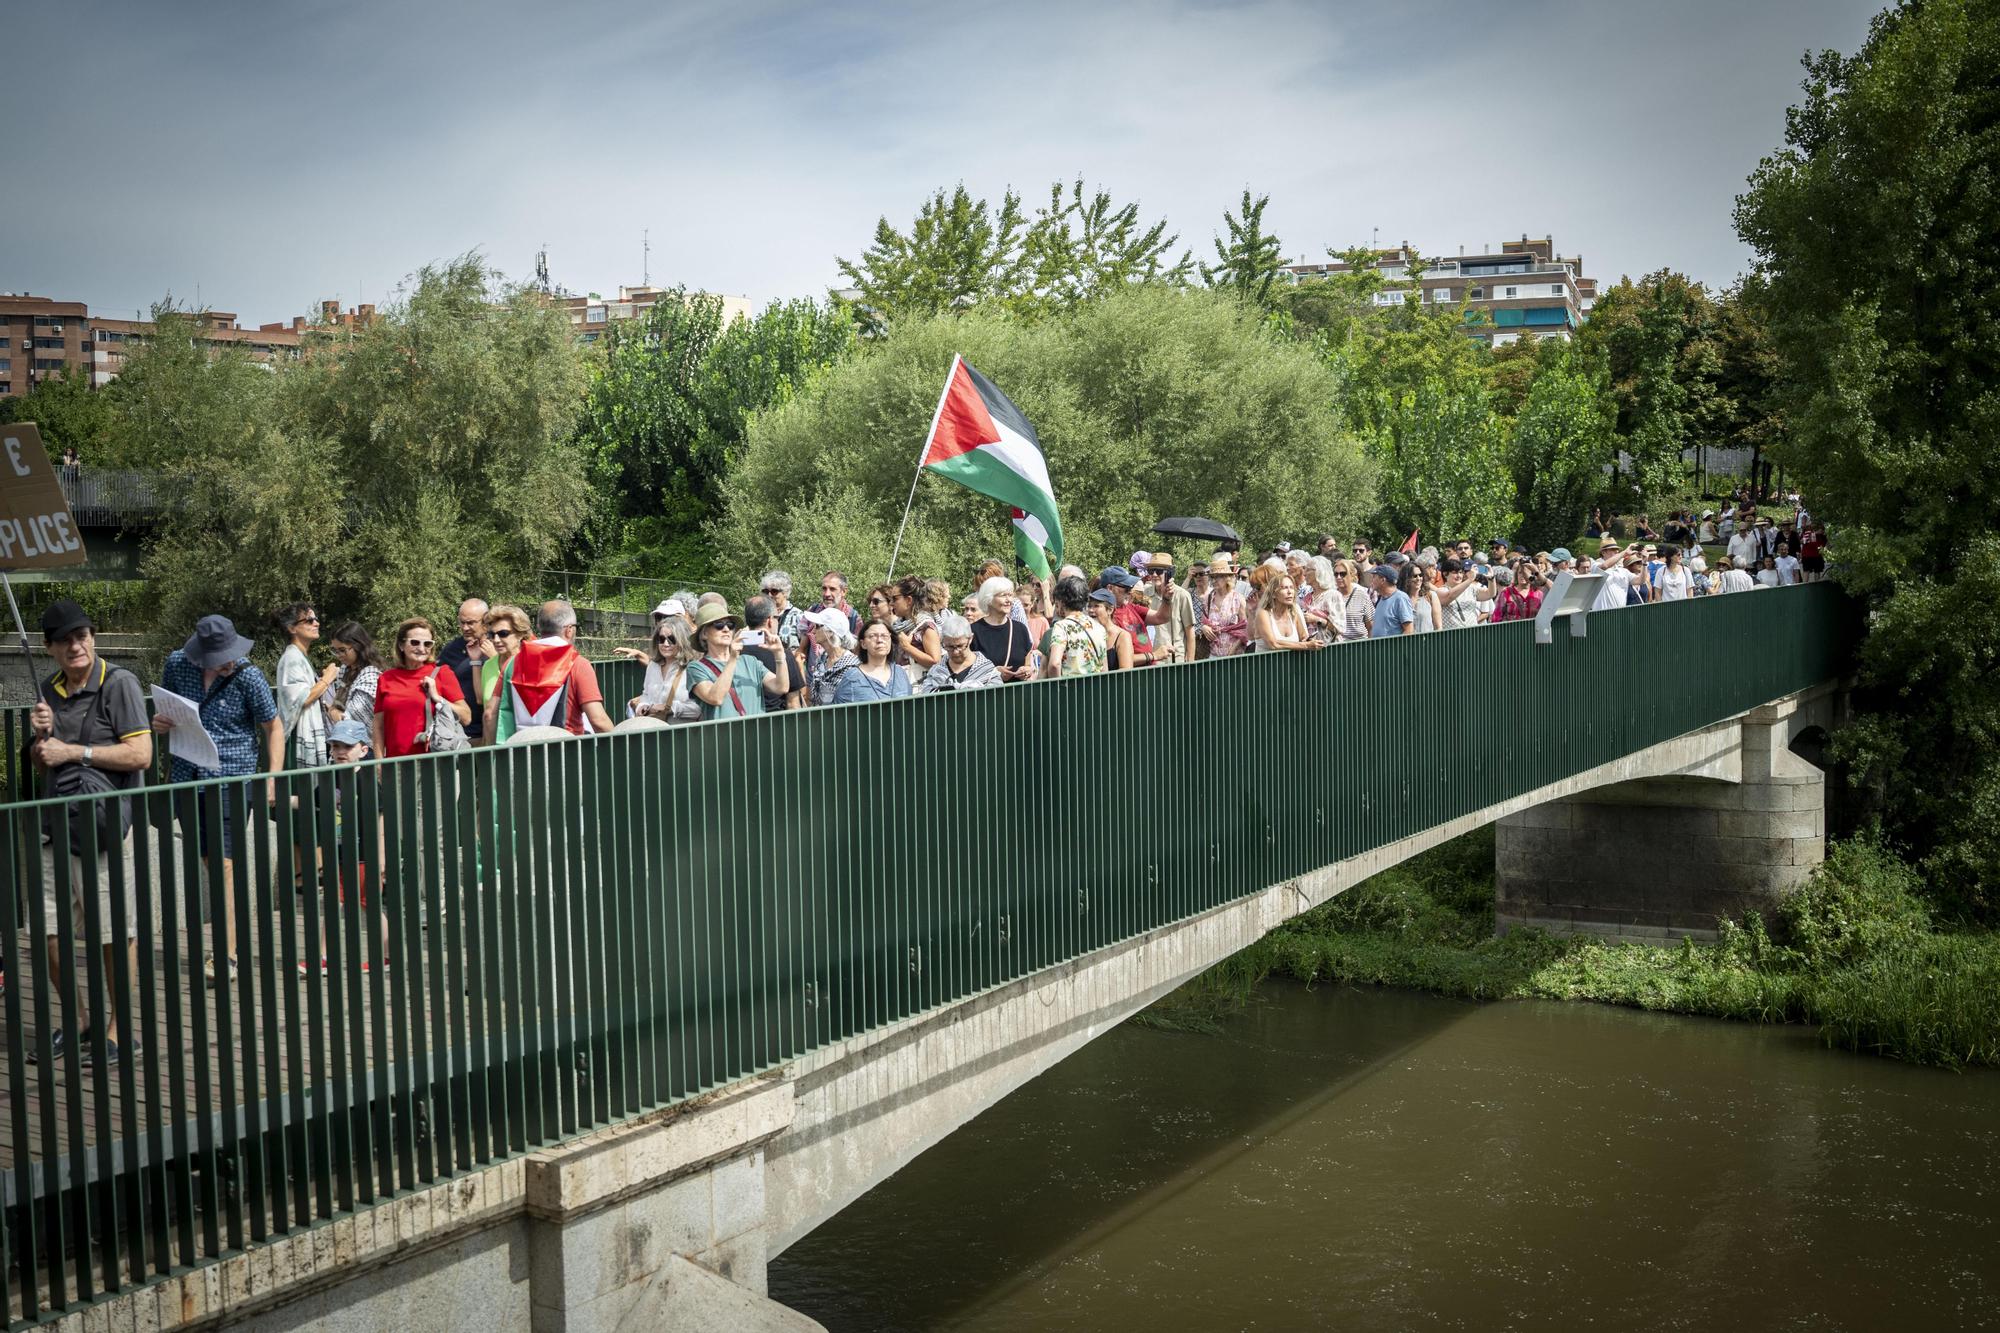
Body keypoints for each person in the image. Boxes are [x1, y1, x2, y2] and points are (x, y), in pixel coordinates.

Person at [26, 600, 152, 1066]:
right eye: (64, 640)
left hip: (101, 830)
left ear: (92, 636)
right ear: (50, 649)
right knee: (47, 931)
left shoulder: (119, 683)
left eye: (81, 635)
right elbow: (45, 759)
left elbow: (140, 755)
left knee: (113, 933)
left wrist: (74, 751)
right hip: (52, 826)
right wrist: (40, 741)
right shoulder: (48, 688)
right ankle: (79, 1021)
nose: (75, 645)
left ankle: (120, 1032)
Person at [154, 614, 283, 984]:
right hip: (186, 776)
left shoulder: (249, 676)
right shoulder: (177, 664)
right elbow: (166, 714)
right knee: (210, 861)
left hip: (231, 779)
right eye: (221, 656)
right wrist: (160, 722)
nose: (229, 661)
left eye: (232, 653)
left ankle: (227, 953)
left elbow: (273, 728)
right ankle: (233, 930)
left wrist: (272, 777)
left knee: (225, 864)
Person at [492, 601, 616, 739]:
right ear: (569, 630)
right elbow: (598, 721)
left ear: (539, 628)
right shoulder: (578, 664)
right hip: (566, 752)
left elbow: (490, 714)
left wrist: (494, 756)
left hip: (521, 753)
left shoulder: (512, 663)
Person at [373, 618, 472, 759]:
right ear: (401, 645)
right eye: (415, 642)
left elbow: (466, 717)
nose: (421, 648)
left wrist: (438, 698)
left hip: (434, 762)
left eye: (427, 644)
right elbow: (378, 727)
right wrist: (379, 764)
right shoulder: (386, 679)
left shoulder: (442, 673)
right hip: (396, 764)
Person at [689, 602, 795, 716]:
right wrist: (733, 659)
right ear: (704, 633)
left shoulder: (751, 661)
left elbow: (781, 687)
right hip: (722, 733)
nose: (726, 629)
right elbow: (716, 698)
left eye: (730, 625)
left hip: (755, 732)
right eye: (718, 625)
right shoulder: (697, 668)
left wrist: (779, 654)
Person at [272, 602, 336, 768]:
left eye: (315, 618)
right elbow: (303, 698)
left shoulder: (300, 656)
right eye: (309, 620)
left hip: (306, 736)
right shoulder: (292, 658)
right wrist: (327, 679)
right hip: (298, 741)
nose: (316, 623)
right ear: (292, 628)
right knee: (303, 792)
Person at [628, 611, 701, 724]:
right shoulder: (653, 665)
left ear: (683, 641)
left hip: (682, 733)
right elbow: (646, 695)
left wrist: (672, 709)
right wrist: (642, 707)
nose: (666, 644)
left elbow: (699, 708)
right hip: (654, 731)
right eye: (661, 639)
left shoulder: (693, 668)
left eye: (672, 639)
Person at [437, 597, 491, 742]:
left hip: (489, 732)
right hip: (458, 733)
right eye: (462, 622)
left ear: (486, 622)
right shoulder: (452, 649)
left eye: (471, 623)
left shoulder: (498, 647)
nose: (465, 628)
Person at [475, 604, 531, 740]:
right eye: (492, 634)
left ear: (520, 635)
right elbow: (487, 715)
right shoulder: (488, 665)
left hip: (522, 746)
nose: (496, 640)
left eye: (503, 634)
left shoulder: (530, 665)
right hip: (494, 751)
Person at [743, 594, 807, 709]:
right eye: (778, 618)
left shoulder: (731, 653)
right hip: (776, 723)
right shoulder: (784, 655)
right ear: (771, 621)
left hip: (740, 723)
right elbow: (793, 704)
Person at [324, 621, 385, 739]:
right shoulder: (345, 671)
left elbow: (351, 716)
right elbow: (334, 706)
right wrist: (333, 712)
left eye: (342, 650)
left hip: (367, 745)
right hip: (348, 742)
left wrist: (334, 713)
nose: (338, 655)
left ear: (358, 646)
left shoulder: (371, 676)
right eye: (335, 650)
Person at [1040, 575, 1108, 678]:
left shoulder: (1062, 626)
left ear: (1062, 601)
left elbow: (1054, 663)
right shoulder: (1099, 627)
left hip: (1069, 690)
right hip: (1095, 689)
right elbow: (1104, 667)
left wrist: (1056, 688)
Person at [972, 576, 1037, 682]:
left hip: (1018, 694)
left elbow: (1028, 664)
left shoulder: (1020, 629)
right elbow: (966, 669)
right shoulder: (974, 631)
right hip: (987, 695)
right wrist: (993, 672)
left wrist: (1026, 670)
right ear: (989, 600)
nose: (1008, 600)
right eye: (1003, 596)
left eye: (1010, 595)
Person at [918, 613, 1003, 692]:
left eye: (960, 646)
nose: (955, 652)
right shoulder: (935, 672)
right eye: (949, 647)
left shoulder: (989, 673)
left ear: (970, 638)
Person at [836, 618, 911, 702]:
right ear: (863, 644)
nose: (880, 640)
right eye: (872, 636)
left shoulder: (900, 672)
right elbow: (838, 713)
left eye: (885, 636)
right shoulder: (852, 678)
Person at [1144, 552, 1198, 662]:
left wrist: (1190, 659)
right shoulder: (1144, 594)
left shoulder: (1182, 595)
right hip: (1151, 657)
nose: (1154, 575)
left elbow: (1190, 630)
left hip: (1174, 659)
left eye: (1159, 571)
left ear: (1170, 572)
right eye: (1151, 571)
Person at [804, 609, 862, 705]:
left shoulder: (852, 665)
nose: (812, 631)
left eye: (817, 627)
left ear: (830, 632)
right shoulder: (820, 660)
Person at [806, 572, 861, 671]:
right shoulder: (813, 611)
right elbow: (802, 649)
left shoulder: (853, 618)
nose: (827, 594)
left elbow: (857, 653)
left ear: (844, 591)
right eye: (824, 588)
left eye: (832, 589)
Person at [1199, 556, 1250, 657]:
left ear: (1227, 578)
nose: (1213, 581)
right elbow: (1203, 622)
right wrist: (1204, 627)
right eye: (1212, 577)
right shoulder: (1208, 599)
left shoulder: (1238, 599)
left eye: (1217, 577)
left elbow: (1244, 628)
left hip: (1234, 655)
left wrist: (1234, 649)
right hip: (1213, 654)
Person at [1253, 574, 1319, 652]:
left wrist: (1311, 641)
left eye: (1291, 587)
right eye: (1284, 588)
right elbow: (1273, 644)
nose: (1290, 591)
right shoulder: (1264, 614)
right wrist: (1305, 645)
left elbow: (1303, 637)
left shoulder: (1294, 613)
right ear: (1274, 594)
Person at [889, 577, 942, 672]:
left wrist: (907, 647)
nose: (891, 603)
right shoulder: (896, 626)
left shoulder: (926, 626)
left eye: (895, 598)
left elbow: (935, 661)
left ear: (909, 600)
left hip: (920, 684)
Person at [1087, 587, 1136, 670]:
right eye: (1089, 606)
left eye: (1096, 606)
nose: (1091, 610)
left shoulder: (1122, 636)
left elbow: (1126, 670)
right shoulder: (1087, 633)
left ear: (1110, 610)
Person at [1327, 560, 1372, 641]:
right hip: (1336, 645)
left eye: (1343, 574)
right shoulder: (1330, 596)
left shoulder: (1362, 596)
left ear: (1352, 575)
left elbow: (1371, 626)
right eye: (1336, 574)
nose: (1339, 577)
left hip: (1358, 644)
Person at [760, 572, 803, 652]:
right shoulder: (761, 615)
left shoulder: (797, 616)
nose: (769, 595)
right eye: (766, 591)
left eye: (774, 591)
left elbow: (804, 649)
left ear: (785, 592)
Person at [1368, 567, 1415, 636]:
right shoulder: (1381, 598)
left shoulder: (1400, 598)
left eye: (1374, 577)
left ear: (1383, 580)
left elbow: (1409, 631)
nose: (1372, 580)